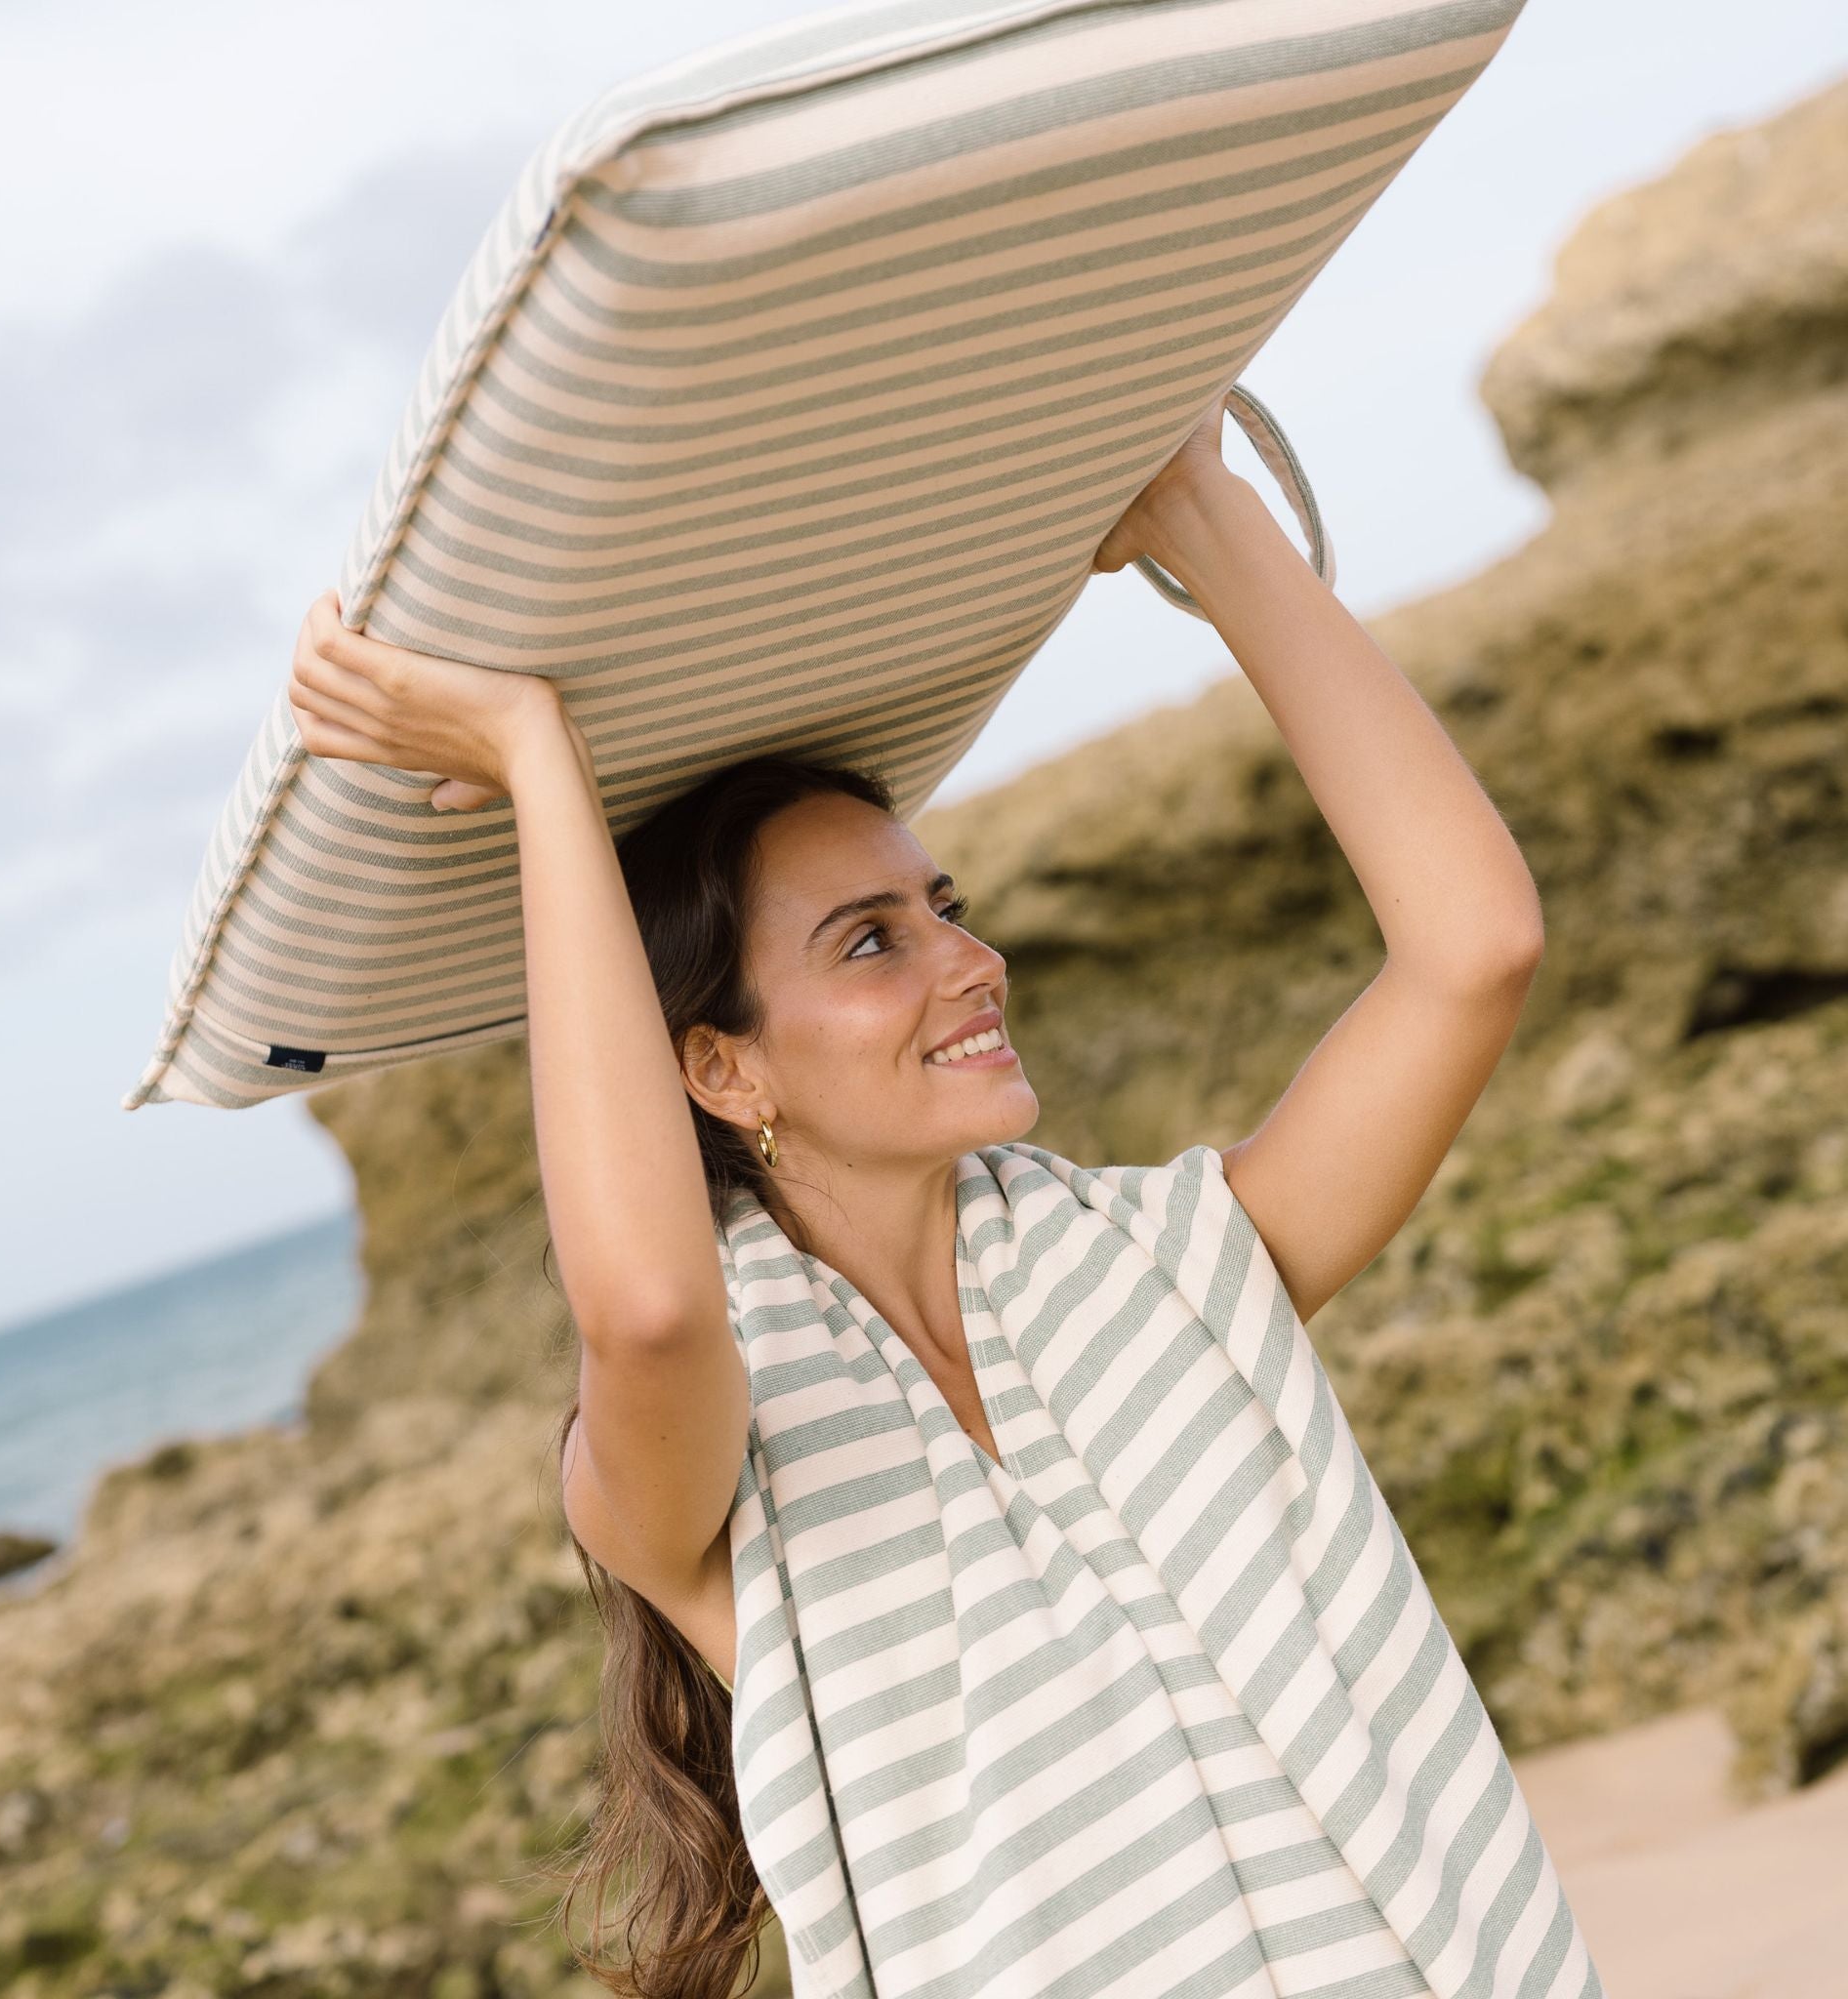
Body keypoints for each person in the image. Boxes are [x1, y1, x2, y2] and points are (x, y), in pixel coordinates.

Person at [285, 394, 1563, 1999]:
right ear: (722, 1070)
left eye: (943, 906)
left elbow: (1476, 949)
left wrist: (1201, 518)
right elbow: (652, 1305)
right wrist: (541, 763)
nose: (974, 961)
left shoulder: (1173, 1264)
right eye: (873, 941)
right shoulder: (695, 1477)